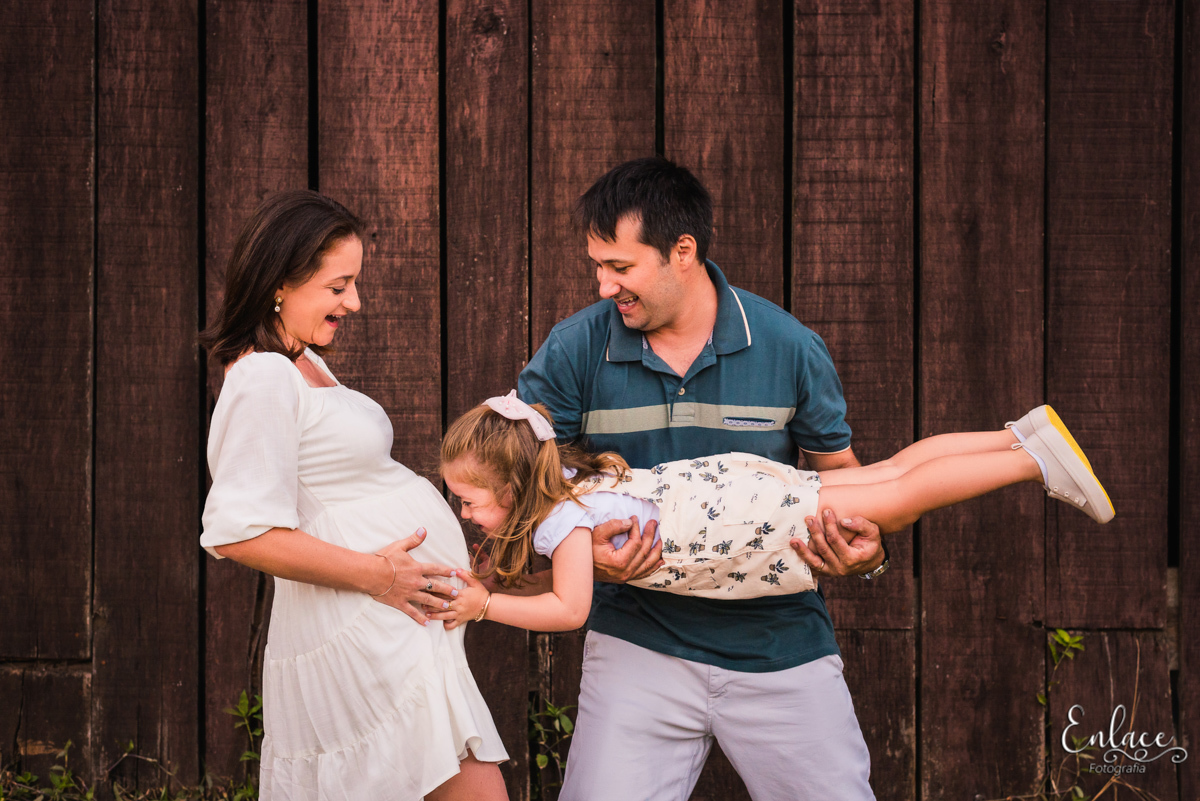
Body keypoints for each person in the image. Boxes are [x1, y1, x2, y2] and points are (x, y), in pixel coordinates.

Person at [516, 156, 887, 800]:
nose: (605, 286)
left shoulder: (789, 346)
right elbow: (518, 485)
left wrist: (869, 553)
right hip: (638, 641)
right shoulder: (575, 348)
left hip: (781, 642)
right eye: (597, 266)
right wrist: (579, 552)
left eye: (621, 267)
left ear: (681, 251)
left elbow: (848, 482)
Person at [198, 190, 508, 801]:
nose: (355, 302)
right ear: (280, 284)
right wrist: (377, 575)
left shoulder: (302, 362)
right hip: (363, 622)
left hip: (391, 620)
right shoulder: (263, 375)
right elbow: (238, 532)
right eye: (339, 286)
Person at [431, 396, 1111, 630]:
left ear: (516, 492)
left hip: (743, 521)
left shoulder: (561, 523)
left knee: (896, 502)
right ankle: (1017, 434)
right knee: (890, 472)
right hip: (740, 490)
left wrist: (485, 604)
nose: (463, 511)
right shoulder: (566, 477)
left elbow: (570, 608)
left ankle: (1029, 461)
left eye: (469, 499)